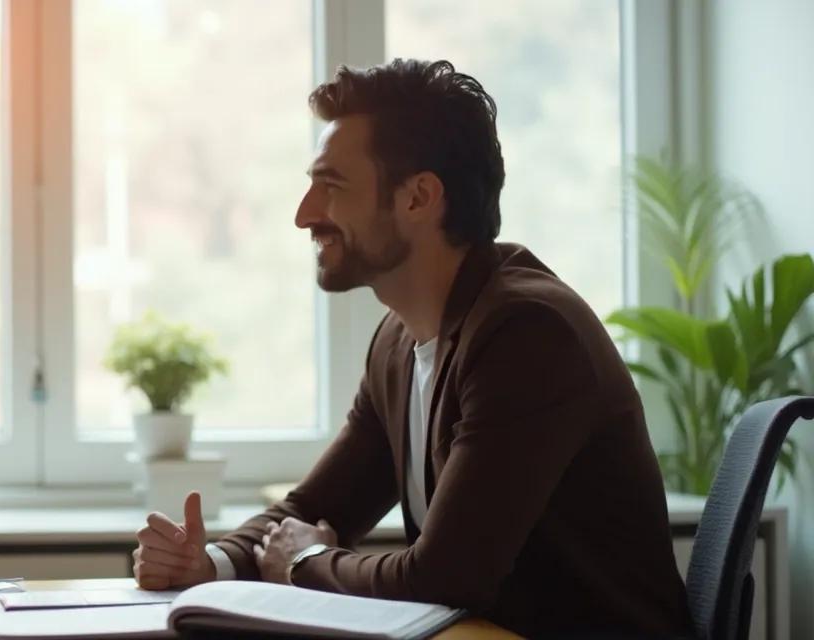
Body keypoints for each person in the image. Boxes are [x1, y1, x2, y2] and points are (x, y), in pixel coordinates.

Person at [131, 59, 692, 637]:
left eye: (333, 185)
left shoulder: (527, 334)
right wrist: (208, 563)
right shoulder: (398, 343)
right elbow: (312, 511)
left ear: (419, 198)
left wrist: (303, 564)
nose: (305, 214)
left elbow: (446, 577)